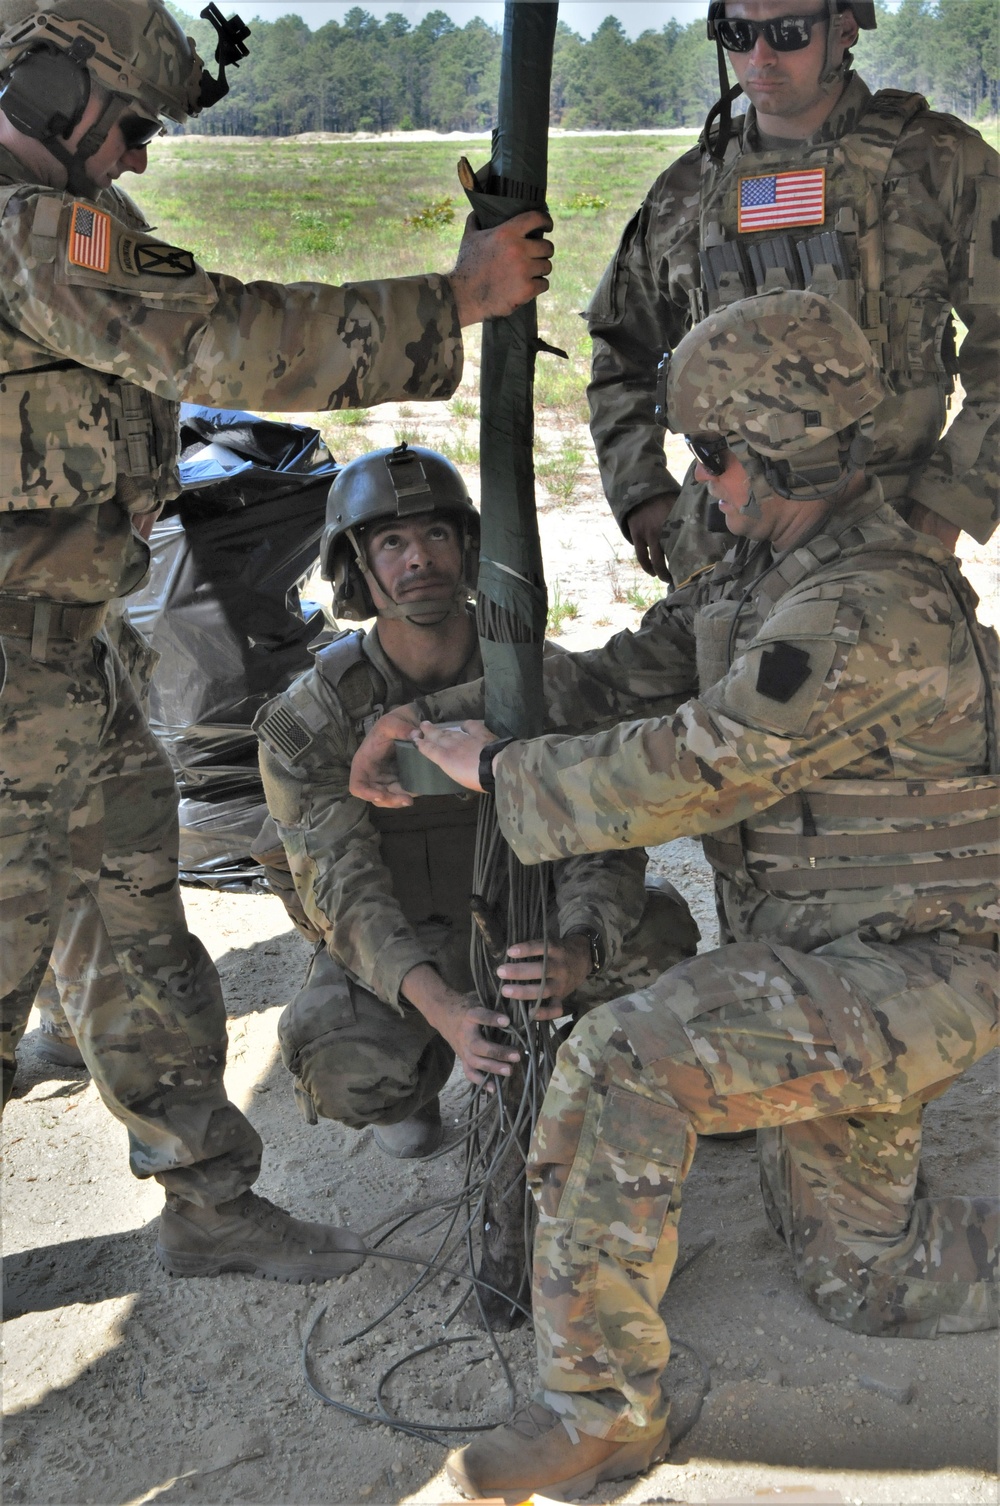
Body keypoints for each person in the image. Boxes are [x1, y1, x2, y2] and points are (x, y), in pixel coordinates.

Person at [352, 291, 998, 1501]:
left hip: (915, 972)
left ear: (779, 457)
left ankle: (598, 1412)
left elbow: (699, 764)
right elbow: (626, 680)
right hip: (840, 955)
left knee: (624, 1062)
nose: (699, 483)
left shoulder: (866, 609)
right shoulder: (772, 571)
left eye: (713, 456)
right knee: (865, 1282)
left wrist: (493, 772)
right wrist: (436, 716)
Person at [0, 0, 552, 1285]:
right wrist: (457, 297)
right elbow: (224, 335)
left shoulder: (66, 223)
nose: (138, 156)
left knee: (140, 939)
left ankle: (207, 1204)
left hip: (76, 663)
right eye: (131, 124)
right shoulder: (31, 234)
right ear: (43, 90)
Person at [255, 443, 699, 1157]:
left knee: (659, 947)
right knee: (340, 1054)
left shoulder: (543, 680)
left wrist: (579, 947)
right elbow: (342, 893)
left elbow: (603, 835)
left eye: (436, 535)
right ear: (358, 571)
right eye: (391, 542)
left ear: (467, 550)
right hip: (414, 934)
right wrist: (446, 1010)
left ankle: (611, 1078)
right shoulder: (313, 720)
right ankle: (414, 1082)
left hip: (538, 920)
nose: (418, 559)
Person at [588, 0, 1000, 587]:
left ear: (844, 27)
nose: (760, 57)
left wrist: (946, 507)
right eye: (738, 33)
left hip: (886, 535)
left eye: (787, 32)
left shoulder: (939, 164)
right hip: (721, 545)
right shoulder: (689, 189)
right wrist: (641, 490)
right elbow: (622, 350)